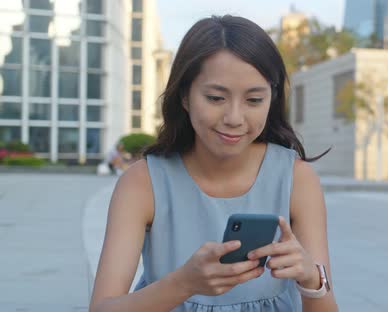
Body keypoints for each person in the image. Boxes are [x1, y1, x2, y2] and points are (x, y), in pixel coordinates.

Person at [90, 15, 338, 312]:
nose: (234, 118)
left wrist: (311, 278)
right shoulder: (143, 182)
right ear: (184, 96)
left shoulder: (297, 178)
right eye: (216, 98)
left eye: (254, 100)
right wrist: (184, 283)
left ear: (271, 99)